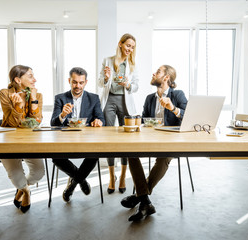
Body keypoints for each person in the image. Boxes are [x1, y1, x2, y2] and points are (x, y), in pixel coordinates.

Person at [121, 65, 187, 221]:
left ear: (166, 78)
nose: (153, 73)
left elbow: (187, 117)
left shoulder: (178, 95)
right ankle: (144, 201)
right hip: (151, 139)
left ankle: (140, 197)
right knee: (131, 153)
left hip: (171, 141)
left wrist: (173, 108)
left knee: (164, 157)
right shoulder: (150, 98)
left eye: (158, 72)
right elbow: (144, 121)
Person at [51, 67, 105, 202]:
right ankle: (81, 180)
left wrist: (99, 122)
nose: (78, 86)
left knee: (94, 155)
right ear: (69, 81)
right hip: (65, 139)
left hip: (87, 139)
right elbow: (53, 123)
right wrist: (62, 114)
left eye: (81, 83)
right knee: (56, 157)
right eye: (74, 82)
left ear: (86, 82)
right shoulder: (60, 98)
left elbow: (101, 119)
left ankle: (72, 185)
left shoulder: (94, 98)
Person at [0, 65, 45, 213]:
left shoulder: (37, 95)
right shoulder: (5, 93)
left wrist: (33, 100)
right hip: (8, 141)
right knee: (17, 178)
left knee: (39, 173)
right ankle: (25, 191)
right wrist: (18, 106)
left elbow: (37, 122)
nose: (35, 80)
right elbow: (12, 124)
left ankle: (21, 190)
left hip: (30, 141)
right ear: (18, 80)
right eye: (30, 76)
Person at [98, 33, 139, 194]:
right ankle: (111, 176)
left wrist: (128, 85)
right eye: (128, 45)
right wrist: (107, 78)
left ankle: (122, 176)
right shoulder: (108, 60)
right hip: (109, 100)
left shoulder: (133, 64)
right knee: (109, 138)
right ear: (121, 44)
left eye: (133, 47)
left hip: (125, 101)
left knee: (125, 139)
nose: (130, 49)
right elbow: (100, 82)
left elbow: (136, 86)